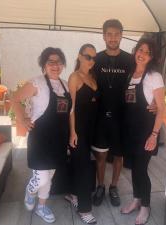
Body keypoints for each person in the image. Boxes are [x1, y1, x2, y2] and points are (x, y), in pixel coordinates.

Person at [11, 47, 71, 224]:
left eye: (58, 61)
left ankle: (41, 206)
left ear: (63, 65)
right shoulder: (36, 83)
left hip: (60, 138)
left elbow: (70, 113)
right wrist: (22, 119)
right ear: (44, 65)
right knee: (41, 177)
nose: (55, 65)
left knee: (50, 176)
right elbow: (14, 98)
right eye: (50, 62)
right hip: (40, 138)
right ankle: (30, 192)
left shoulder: (66, 85)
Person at [120, 38, 165, 225]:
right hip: (130, 131)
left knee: (141, 170)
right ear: (135, 51)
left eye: (147, 52)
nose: (142, 54)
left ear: (152, 57)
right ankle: (136, 200)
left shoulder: (154, 76)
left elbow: (161, 108)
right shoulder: (131, 73)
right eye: (140, 50)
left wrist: (154, 135)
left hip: (146, 133)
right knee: (133, 168)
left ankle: (145, 206)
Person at [91, 19, 132, 207]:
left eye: (116, 34)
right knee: (100, 155)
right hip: (99, 116)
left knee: (119, 155)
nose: (113, 38)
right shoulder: (96, 59)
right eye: (109, 34)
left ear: (121, 35)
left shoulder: (130, 60)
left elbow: (141, 84)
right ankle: (100, 186)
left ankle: (113, 187)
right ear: (104, 36)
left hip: (122, 117)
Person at [65, 44, 98, 224]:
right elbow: (71, 109)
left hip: (93, 129)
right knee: (85, 169)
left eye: (94, 58)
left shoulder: (92, 77)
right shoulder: (74, 77)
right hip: (79, 131)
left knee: (80, 165)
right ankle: (84, 209)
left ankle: (72, 194)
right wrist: (72, 133)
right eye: (88, 57)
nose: (91, 61)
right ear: (79, 56)